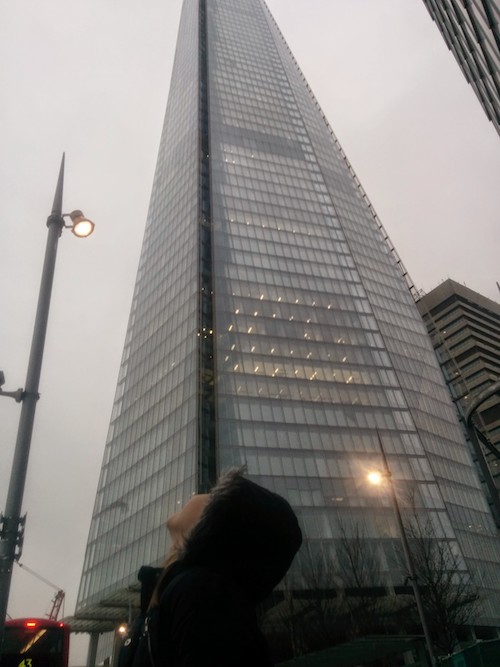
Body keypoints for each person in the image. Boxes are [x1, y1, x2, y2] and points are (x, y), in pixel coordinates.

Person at [125, 467, 302, 667]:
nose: (203, 495)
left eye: (212, 498)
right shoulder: (178, 591)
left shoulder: (205, 593)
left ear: (213, 528)